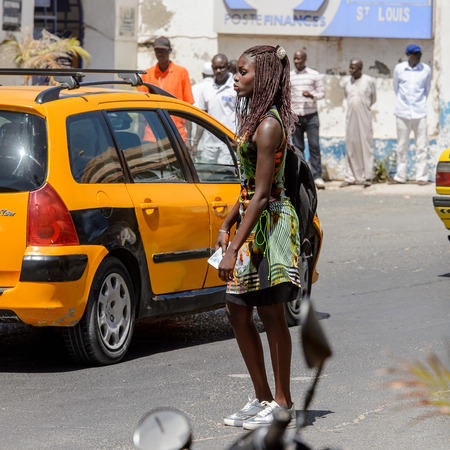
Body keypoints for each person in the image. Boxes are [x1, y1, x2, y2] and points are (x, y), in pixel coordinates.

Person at [216, 45, 299, 430]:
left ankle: (282, 401)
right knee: (236, 309)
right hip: (252, 221)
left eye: (242, 72)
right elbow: (248, 187)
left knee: (270, 312)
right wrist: (225, 224)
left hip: (272, 227)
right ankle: (263, 396)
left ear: (262, 76)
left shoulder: (269, 125)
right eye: (236, 71)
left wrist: (234, 246)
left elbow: (265, 193)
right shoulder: (254, 120)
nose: (236, 77)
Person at [390, 44, 432, 185]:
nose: (418, 57)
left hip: (420, 112)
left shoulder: (426, 70)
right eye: (415, 54)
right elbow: (396, 88)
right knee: (402, 145)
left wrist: (418, 104)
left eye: (419, 54)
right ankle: (400, 176)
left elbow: (427, 90)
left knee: (421, 145)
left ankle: (421, 176)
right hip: (403, 112)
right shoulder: (399, 69)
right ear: (409, 55)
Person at [138, 36, 194, 140]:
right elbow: (141, 111)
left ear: (170, 51)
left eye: (163, 50)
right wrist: (140, 139)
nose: (160, 53)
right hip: (151, 137)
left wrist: (189, 140)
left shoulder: (181, 72)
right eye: (157, 50)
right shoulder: (147, 74)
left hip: (176, 135)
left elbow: (188, 107)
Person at [290, 50, 326, 189]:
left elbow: (322, 93)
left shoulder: (314, 75)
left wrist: (311, 95)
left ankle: (317, 177)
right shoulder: (290, 76)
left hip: (311, 116)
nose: (297, 61)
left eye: (299, 58)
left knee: (314, 146)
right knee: (298, 148)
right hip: (296, 117)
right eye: (295, 59)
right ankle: (301, 176)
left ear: (305, 59)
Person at [194, 53, 237, 164]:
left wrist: (238, 139)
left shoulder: (235, 87)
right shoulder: (206, 88)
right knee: (206, 176)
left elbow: (242, 115)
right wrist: (195, 144)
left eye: (221, 67)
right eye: (215, 68)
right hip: (209, 144)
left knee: (226, 177)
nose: (218, 71)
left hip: (228, 144)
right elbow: (201, 118)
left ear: (228, 67)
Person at [340, 59, 377, 188]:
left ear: (360, 68)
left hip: (364, 117)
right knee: (350, 145)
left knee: (366, 145)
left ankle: (368, 176)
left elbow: (373, 99)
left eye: (354, 68)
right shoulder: (346, 82)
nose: (351, 70)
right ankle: (350, 177)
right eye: (350, 68)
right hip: (351, 117)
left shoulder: (369, 81)